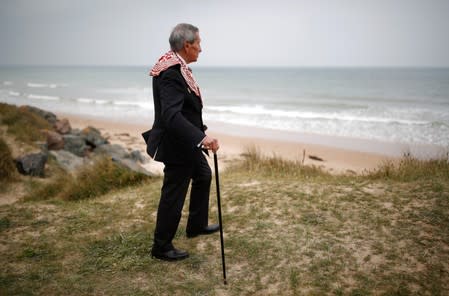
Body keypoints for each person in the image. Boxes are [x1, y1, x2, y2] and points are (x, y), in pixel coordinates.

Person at [142, 23, 220, 261]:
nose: (201, 49)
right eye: (198, 43)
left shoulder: (178, 67)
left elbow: (183, 110)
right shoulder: (171, 72)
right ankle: (161, 246)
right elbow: (171, 116)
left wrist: (198, 133)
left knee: (203, 174)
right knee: (174, 193)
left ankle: (196, 225)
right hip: (177, 144)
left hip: (187, 140)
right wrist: (202, 138)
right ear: (187, 45)